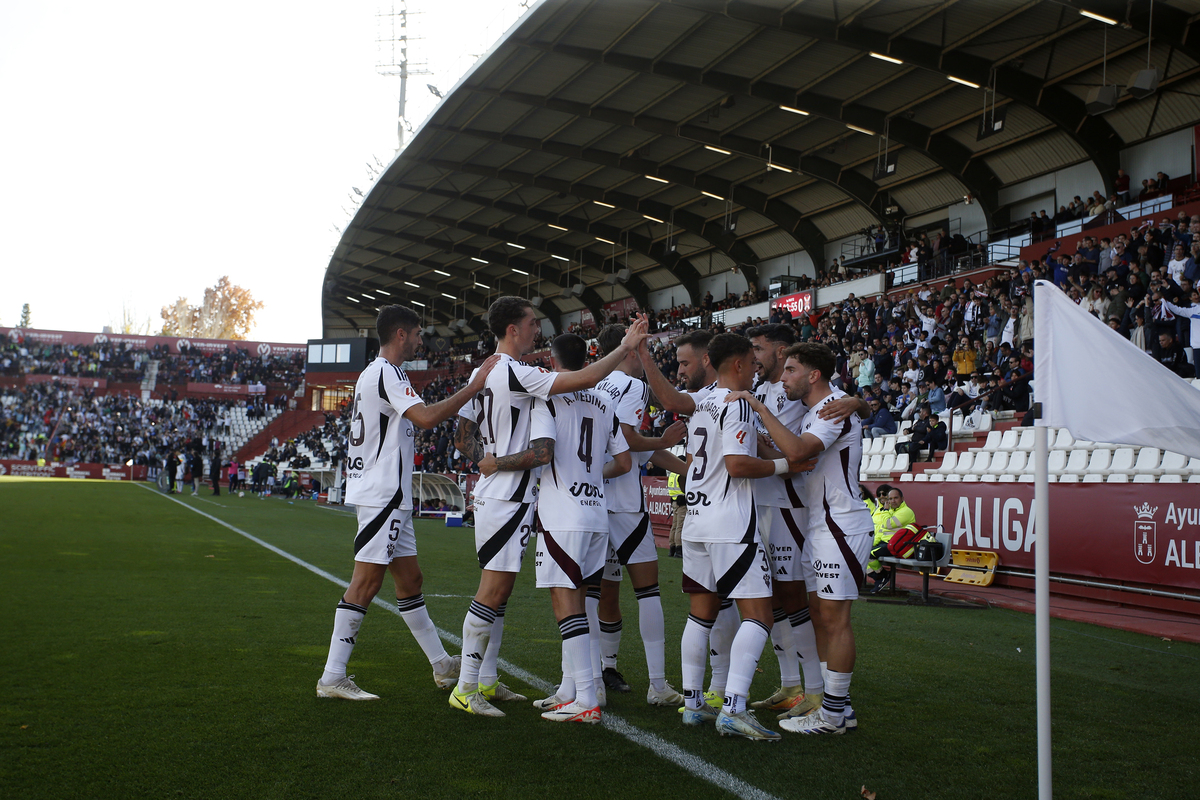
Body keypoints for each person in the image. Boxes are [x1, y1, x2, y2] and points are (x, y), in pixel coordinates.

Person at [449, 296, 649, 717]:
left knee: (504, 595)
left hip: (509, 491)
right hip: (508, 493)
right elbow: (581, 381)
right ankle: (466, 687)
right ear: (512, 330)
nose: (537, 330)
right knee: (496, 589)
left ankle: (485, 680)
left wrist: (484, 462)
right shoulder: (519, 373)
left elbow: (463, 434)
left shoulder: (483, 371)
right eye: (532, 323)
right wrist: (625, 348)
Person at [315, 304, 500, 702]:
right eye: (417, 333)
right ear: (401, 334)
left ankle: (440, 664)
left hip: (389, 495)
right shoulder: (385, 373)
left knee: (410, 581)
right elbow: (427, 418)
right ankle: (332, 676)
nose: (421, 340)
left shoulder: (379, 373)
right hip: (382, 494)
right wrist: (473, 386)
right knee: (365, 582)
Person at [729, 341, 874, 736]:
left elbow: (796, 452)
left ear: (813, 375)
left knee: (835, 620)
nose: (784, 377)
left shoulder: (831, 408)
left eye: (791, 370)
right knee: (821, 617)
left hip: (841, 524)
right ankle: (835, 708)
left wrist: (759, 411)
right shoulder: (822, 409)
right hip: (821, 524)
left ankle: (833, 716)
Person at [677, 333, 791, 741]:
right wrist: (781, 466)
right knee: (758, 614)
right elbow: (740, 465)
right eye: (753, 364)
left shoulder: (701, 402)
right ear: (739, 365)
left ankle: (693, 704)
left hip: (697, 521)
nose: (757, 371)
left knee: (699, 614)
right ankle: (734, 708)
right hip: (730, 522)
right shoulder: (738, 402)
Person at [525, 333, 633, 723]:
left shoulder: (547, 396)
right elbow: (623, 463)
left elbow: (542, 453)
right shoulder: (605, 400)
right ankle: (570, 688)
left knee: (565, 603)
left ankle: (586, 698)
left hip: (563, 514)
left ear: (553, 362)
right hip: (595, 514)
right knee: (581, 601)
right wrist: (590, 476)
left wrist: (497, 463)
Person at [592, 322, 686, 706]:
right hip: (626, 503)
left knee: (600, 591)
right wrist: (665, 440)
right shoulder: (633, 385)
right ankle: (659, 685)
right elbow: (631, 442)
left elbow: (639, 448)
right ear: (629, 349)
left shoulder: (594, 385)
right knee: (648, 591)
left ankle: (598, 674)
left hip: (594, 500)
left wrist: (684, 467)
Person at [866, 487, 917, 594]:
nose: (892, 501)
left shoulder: (906, 511)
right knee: (861, 555)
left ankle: (882, 576)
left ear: (902, 498)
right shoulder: (892, 511)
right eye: (890, 499)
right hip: (888, 544)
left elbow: (888, 524)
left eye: (896, 498)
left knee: (870, 554)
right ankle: (879, 577)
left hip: (900, 546)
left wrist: (885, 510)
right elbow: (883, 530)